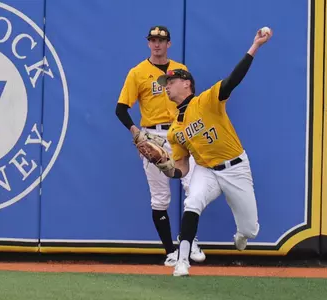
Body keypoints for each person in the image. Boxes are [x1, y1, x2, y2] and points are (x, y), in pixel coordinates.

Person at [154, 27, 273, 276]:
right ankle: (182, 261)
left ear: (186, 83)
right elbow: (182, 168)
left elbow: (233, 80)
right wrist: (166, 167)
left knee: (250, 230)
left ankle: (242, 234)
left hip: (235, 167)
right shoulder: (175, 130)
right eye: (166, 83)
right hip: (207, 170)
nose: (167, 86)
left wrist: (255, 47)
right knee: (192, 201)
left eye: (171, 81)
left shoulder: (206, 101)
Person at [115, 25, 205, 266]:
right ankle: (170, 252)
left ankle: (190, 240)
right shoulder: (138, 72)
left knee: (193, 188)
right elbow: (121, 108)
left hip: (180, 134)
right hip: (153, 137)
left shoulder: (181, 70)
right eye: (153, 40)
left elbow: (192, 104)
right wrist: (137, 134)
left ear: (169, 44)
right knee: (160, 197)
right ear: (148, 43)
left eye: (161, 40)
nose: (157, 44)